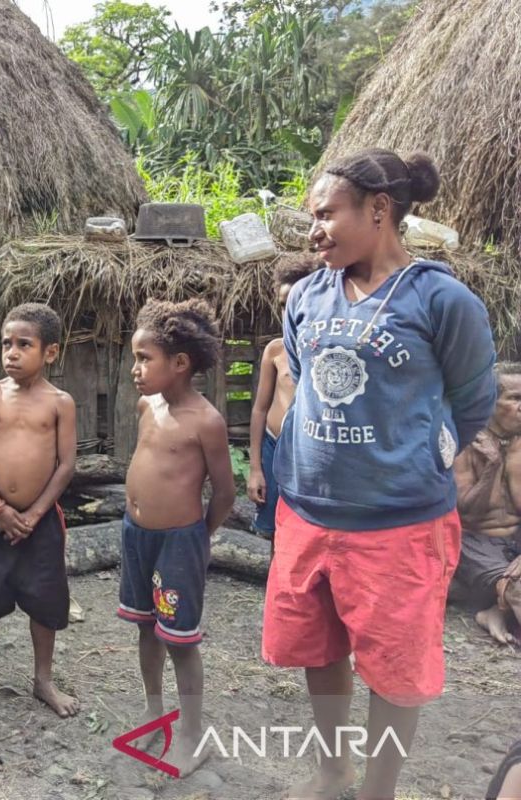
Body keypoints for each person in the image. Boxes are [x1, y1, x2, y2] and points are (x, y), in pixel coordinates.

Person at [265, 148, 496, 800]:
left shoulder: (440, 300)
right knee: (318, 649)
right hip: (307, 513)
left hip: (399, 525)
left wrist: (422, 453)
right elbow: (307, 385)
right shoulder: (307, 294)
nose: (314, 230)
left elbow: (474, 397)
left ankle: (379, 790)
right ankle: (334, 771)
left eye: (326, 214)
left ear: (378, 209)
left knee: (395, 669)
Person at [118, 298, 235, 777]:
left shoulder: (206, 421)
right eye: (135, 358)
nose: (136, 369)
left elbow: (225, 492)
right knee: (147, 626)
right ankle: (153, 710)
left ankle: (191, 735)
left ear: (180, 364)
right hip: (136, 535)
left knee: (181, 640)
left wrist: (198, 537)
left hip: (178, 543)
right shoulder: (148, 405)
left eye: (145, 359)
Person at [0, 302, 79, 720]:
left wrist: (34, 513)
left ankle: (43, 679)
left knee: (46, 598)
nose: (11, 352)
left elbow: (65, 464)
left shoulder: (60, 402)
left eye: (23, 344)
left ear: (50, 352)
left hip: (41, 521)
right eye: (7, 343)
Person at [246, 256, 317, 543]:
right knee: (273, 532)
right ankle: (276, 588)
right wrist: (255, 469)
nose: (290, 311)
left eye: (297, 301)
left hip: (307, 451)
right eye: (283, 304)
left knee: (302, 530)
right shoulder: (275, 350)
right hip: (273, 446)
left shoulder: (328, 350)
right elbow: (260, 409)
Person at [453, 364, 521, 645]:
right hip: (477, 541)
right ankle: (502, 600)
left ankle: (495, 609)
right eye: (516, 398)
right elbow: (466, 511)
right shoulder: (466, 441)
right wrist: (491, 465)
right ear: (490, 402)